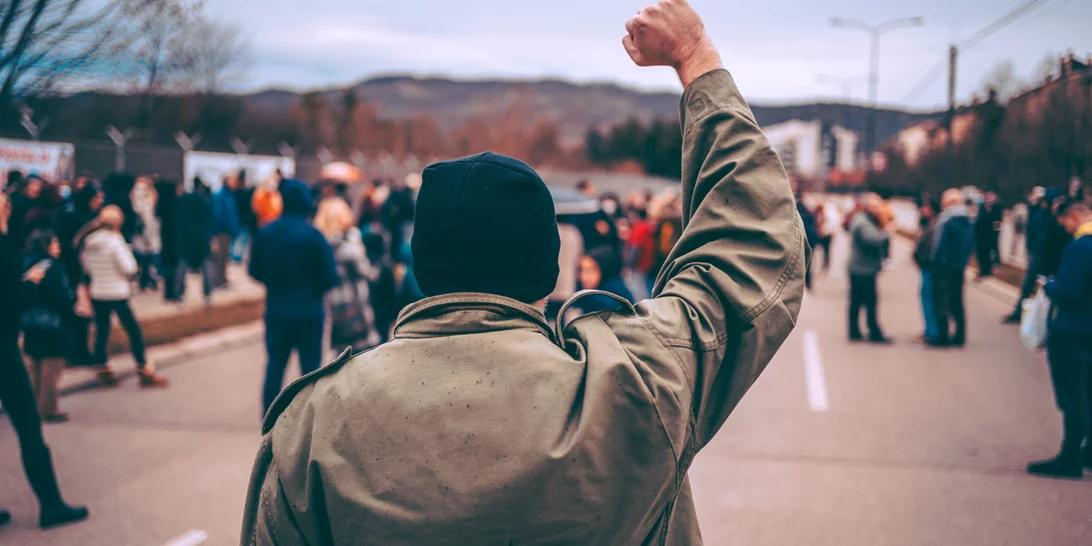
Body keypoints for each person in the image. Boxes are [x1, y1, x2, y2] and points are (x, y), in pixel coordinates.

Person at [240, 3, 805, 543]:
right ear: (545, 270)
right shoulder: (632, 386)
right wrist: (696, 56)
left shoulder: (312, 426)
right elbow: (750, 248)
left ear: (422, 263)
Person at [0, 193, 89, 530]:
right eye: (3, 203)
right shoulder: (5, 254)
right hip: (4, 349)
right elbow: (10, 305)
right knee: (28, 428)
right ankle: (51, 505)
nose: (8, 206)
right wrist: (29, 286)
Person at [248, 179, 339, 415]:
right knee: (310, 371)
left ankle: (268, 417)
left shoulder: (266, 233)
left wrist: (274, 283)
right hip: (310, 311)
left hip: (277, 308)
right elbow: (330, 275)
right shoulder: (314, 236)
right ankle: (308, 418)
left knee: (275, 364)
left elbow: (253, 270)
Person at [1026, 199, 1092, 478]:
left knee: (1072, 396)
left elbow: (1069, 290)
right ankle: (1087, 452)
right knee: (1088, 392)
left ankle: (1069, 457)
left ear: (1075, 215)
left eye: (1064, 220)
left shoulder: (1081, 245)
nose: (1064, 226)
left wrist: (1048, 285)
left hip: (1071, 329)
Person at [77, 206, 168, 388]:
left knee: (102, 331)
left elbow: (85, 267)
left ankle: (101, 366)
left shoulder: (87, 241)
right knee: (133, 330)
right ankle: (143, 368)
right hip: (117, 291)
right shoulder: (114, 241)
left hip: (98, 291)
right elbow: (129, 268)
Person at [20, 230, 76, 422]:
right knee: (52, 366)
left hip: (29, 321)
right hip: (51, 322)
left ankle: (33, 405)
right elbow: (59, 294)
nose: (58, 247)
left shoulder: (25, 262)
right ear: (47, 245)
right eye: (55, 243)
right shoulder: (53, 266)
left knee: (34, 364)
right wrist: (70, 305)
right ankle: (48, 408)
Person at [314, 197, 380, 354]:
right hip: (354, 307)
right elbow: (369, 273)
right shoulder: (347, 246)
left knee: (340, 357)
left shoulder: (320, 243)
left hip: (333, 307)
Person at [53, 184, 104, 366]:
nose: (100, 201)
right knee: (79, 312)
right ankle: (76, 352)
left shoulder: (76, 216)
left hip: (78, 271)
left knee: (80, 311)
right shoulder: (77, 220)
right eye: (98, 198)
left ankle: (76, 350)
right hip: (75, 272)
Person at [928, 189, 975, 348]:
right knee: (957, 301)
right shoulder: (967, 219)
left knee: (941, 300)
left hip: (944, 266)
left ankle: (943, 336)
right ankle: (960, 335)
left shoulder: (947, 219)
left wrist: (935, 260)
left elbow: (940, 244)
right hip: (959, 265)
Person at [846, 194, 891, 343]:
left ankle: (855, 332)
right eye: (875, 206)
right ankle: (873, 331)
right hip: (862, 269)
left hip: (861, 267)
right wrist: (887, 232)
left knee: (857, 301)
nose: (878, 210)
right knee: (869, 301)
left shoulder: (863, 219)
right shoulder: (863, 222)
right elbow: (872, 240)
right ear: (866, 207)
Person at [176, 178, 215, 305]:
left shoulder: (183, 200)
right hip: (202, 238)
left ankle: (179, 293)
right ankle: (208, 294)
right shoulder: (205, 201)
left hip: (185, 238)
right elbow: (210, 220)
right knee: (206, 267)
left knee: (182, 265)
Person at [575, 246, 635, 314]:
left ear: (603, 270)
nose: (583, 277)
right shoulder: (586, 294)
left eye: (590, 271)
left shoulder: (611, 299)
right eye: (581, 270)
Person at [362, 232, 397, 344]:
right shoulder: (386, 266)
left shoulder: (364, 265)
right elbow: (392, 293)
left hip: (370, 307)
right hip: (383, 309)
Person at [913, 202, 940, 342]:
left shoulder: (934, 227)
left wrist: (922, 259)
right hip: (926, 267)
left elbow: (930, 248)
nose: (922, 210)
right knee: (927, 299)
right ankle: (929, 330)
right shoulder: (928, 224)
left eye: (926, 207)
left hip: (929, 267)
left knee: (929, 299)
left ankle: (932, 332)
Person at [130, 176, 161, 292]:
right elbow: (141, 211)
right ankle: (147, 280)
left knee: (147, 258)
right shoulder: (142, 196)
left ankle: (147, 280)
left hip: (146, 231)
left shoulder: (148, 197)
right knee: (145, 258)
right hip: (143, 232)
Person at [211, 175, 241, 288]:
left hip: (228, 230)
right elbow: (218, 214)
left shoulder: (230, 195)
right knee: (219, 257)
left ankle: (222, 278)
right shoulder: (220, 196)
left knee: (225, 257)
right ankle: (217, 280)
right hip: (222, 231)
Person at [157, 180, 184, 302]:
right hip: (175, 239)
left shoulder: (162, 203)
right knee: (174, 267)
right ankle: (174, 292)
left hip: (165, 239)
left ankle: (168, 292)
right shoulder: (176, 203)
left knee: (167, 266)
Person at [974, 191, 1003, 278]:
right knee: (981, 252)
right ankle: (982, 269)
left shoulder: (997, 208)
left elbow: (998, 221)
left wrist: (997, 233)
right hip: (981, 234)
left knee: (990, 251)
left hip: (991, 233)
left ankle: (988, 269)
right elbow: (978, 220)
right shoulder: (981, 207)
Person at [797, 198, 818, 291]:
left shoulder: (796, 215)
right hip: (809, 243)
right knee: (809, 263)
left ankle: (803, 283)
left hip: (799, 242)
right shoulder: (809, 215)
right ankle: (808, 283)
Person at [815, 201, 839, 273]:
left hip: (827, 235)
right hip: (824, 235)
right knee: (825, 252)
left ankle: (825, 266)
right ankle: (824, 266)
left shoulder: (827, 215)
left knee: (826, 252)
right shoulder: (823, 214)